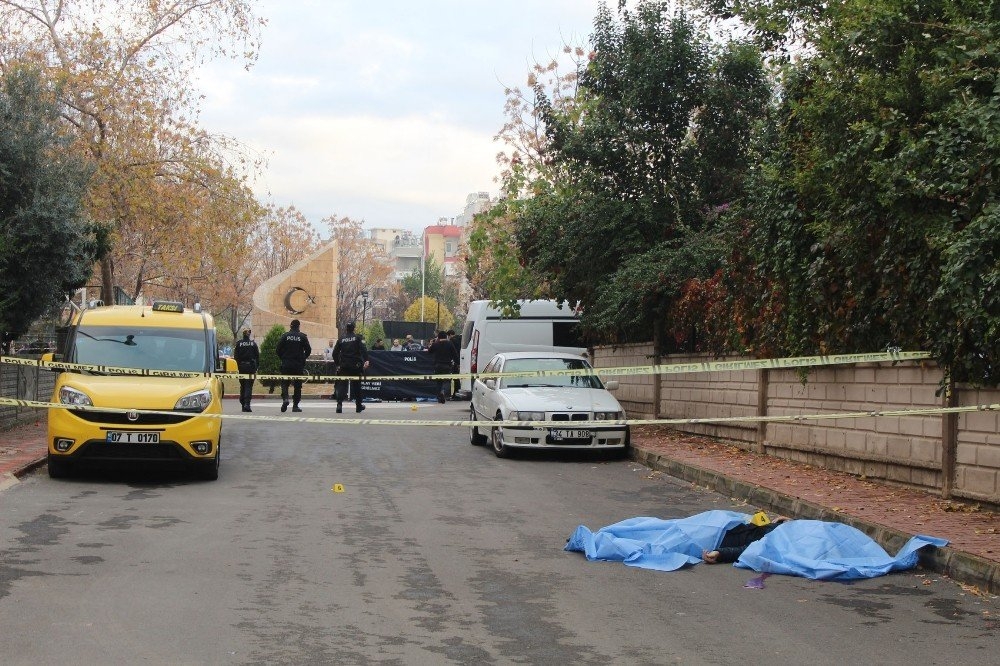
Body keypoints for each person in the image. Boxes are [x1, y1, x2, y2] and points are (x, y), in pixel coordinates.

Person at [702, 515, 790, 564]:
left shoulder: (772, 541)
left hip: (731, 537)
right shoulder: (790, 530)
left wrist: (720, 553)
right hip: (738, 526)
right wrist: (788, 521)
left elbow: (748, 549)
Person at [332, 321, 370, 413]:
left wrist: (338, 364)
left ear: (346, 329)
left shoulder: (341, 339)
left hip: (344, 365)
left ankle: (339, 405)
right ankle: (358, 406)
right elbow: (363, 349)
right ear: (354, 328)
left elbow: (334, 353)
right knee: (357, 386)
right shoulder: (357, 338)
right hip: (355, 366)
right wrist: (366, 360)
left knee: (341, 385)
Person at [276, 319, 311, 413]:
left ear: (291, 326)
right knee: (297, 386)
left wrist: (283, 358)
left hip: (286, 364)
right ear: (299, 326)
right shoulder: (302, 337)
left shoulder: (285, 336)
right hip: (298, 365)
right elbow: (308, 350)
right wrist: (303, 358)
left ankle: (285, 399)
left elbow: (278, 349)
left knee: (284, 383)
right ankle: (295, 406)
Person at [428, 330, 459, 403]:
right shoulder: (450, 343)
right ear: (446, 336)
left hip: (437, 365)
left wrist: (432, 343)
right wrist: (458, 363)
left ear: (438, 337)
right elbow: (455, 354)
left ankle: (439, 395)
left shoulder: (436, 344)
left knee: (439, 381)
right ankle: (445, 394)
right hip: (447, 365)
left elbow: (429, 351)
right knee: (447, 381)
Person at [233, 328, 259, 412]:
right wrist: (256, 367)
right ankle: (247, 404)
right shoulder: (253, 344)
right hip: (251, 367)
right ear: (249, 334)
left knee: (243, 385)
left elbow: (236, 357)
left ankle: (243, 403)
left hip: (241, 367)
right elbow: (257, 357)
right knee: (248, 386)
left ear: (243, 334)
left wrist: (238, 366)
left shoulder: (239, 344)